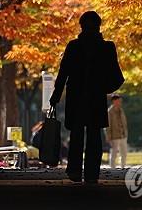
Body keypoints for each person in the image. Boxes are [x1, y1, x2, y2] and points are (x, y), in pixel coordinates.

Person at [49, 11, 124, 184]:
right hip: (96, 99)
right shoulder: (107, 47)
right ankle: (92, 173)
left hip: (76, 98)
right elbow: (118, 78)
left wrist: (56, 96)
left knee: (76, 135)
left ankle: (75, 170)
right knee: (94, 135)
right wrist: (103, 89)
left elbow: (63, 74)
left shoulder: (73, 46)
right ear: (99, 26)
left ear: (81, 26)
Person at [105, 94, 128, 168]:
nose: (120, 102)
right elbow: (107, 125)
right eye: (118, 100)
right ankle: (112, 169)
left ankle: (123, 168)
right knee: (114, 153)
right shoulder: (109, 112)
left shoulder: (121, 110)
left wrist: (126, 132)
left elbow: (124, 122)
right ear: (114, 101)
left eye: (120, 100)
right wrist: (108, 137)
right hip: (114, 136)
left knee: (124, 153)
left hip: (123, 135)